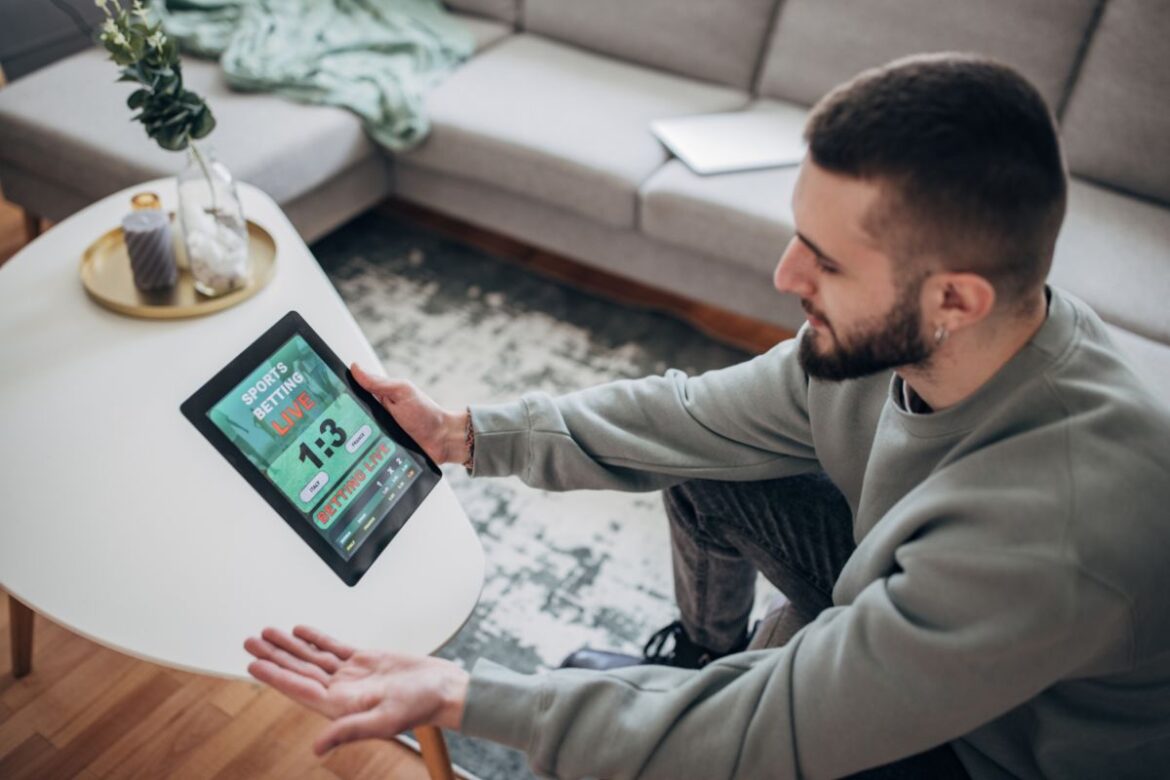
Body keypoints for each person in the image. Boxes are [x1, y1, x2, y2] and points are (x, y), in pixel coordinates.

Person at [243, 53, 1170, 779]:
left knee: (677, 753)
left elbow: (774, 726)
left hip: (991, 753)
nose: (784, 277)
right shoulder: (904, 344)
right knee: (711, 468)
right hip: (924, 605)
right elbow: (688, 417)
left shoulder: (1058, 530)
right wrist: (465, 434)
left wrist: (463, 693)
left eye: (826, 262)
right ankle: (697, 650)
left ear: (956, 301)